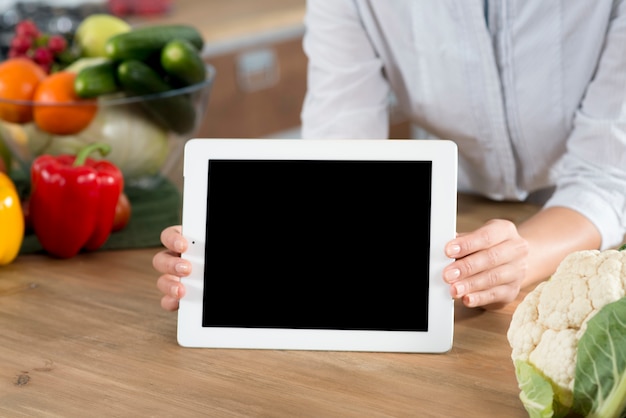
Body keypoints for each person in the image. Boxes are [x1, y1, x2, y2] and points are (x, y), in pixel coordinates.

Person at [153, 1, 626, 312]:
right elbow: (340, 162)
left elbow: (608, 177)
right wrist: (249, 256)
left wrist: (520, 259)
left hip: (592, 232)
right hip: (460, 213)